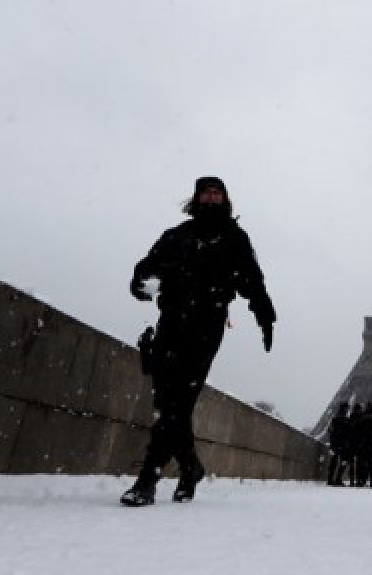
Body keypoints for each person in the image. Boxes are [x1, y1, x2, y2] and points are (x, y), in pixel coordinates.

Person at [121, 176, 276, 507]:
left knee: (178, 402)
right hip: (171, 322)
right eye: (206, 191)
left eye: (217, 192)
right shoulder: (177, 236)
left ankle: (147, 478)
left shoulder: (233, 238)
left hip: (206, 324)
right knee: (169, 404)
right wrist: (139, 282)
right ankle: (190, 466)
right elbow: (148, 267)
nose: (211, 196)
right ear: (196, 197)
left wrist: (264, 313)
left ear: (225, 199)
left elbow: (251, 279)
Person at [326, 402, 352, 486]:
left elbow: (330, 431)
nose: (347, 410)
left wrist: (332, 442)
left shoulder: (335, 419)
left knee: (334, 462)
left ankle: (330, 479)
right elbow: (348, 433)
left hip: (335, 444)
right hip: (342, 444)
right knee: (343, 461)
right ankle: (337, 479)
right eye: (347, 408)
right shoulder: (345, 420)